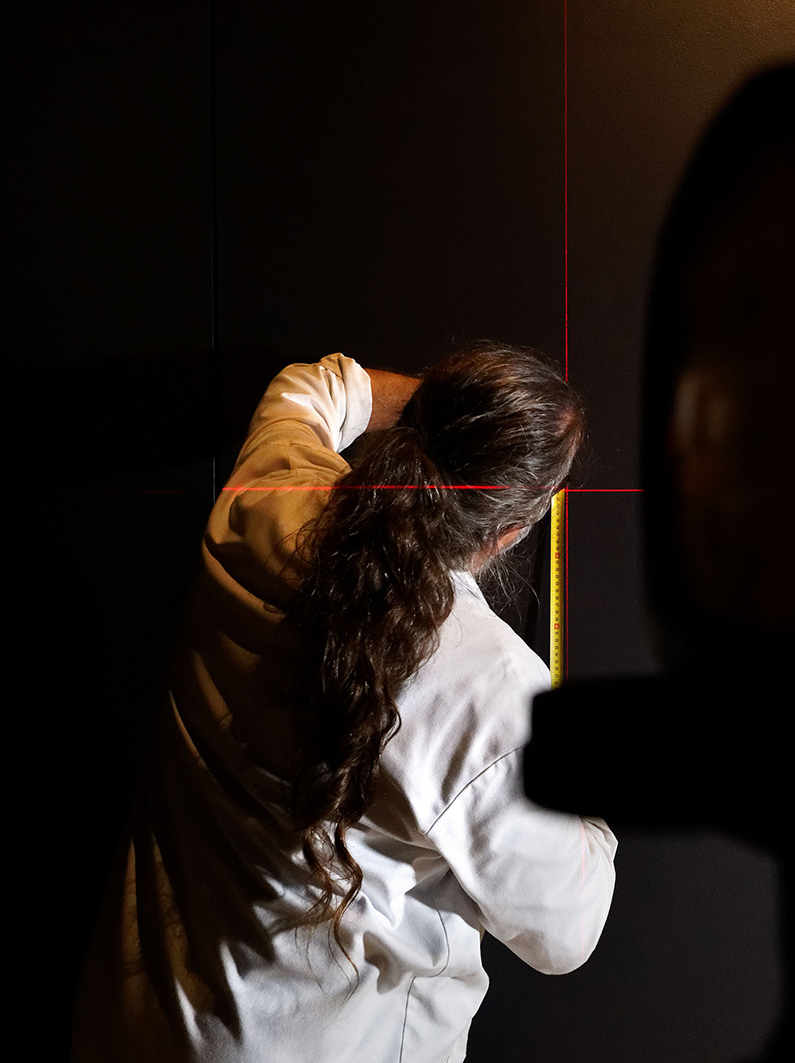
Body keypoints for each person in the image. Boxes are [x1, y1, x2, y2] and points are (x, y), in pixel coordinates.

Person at [72, 345, 618, 1062]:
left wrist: (456, 410)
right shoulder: (488, 688)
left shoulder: (266, 494)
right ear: (513, 529)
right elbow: (566, 931)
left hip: (133, 1022)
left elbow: (318, 385)